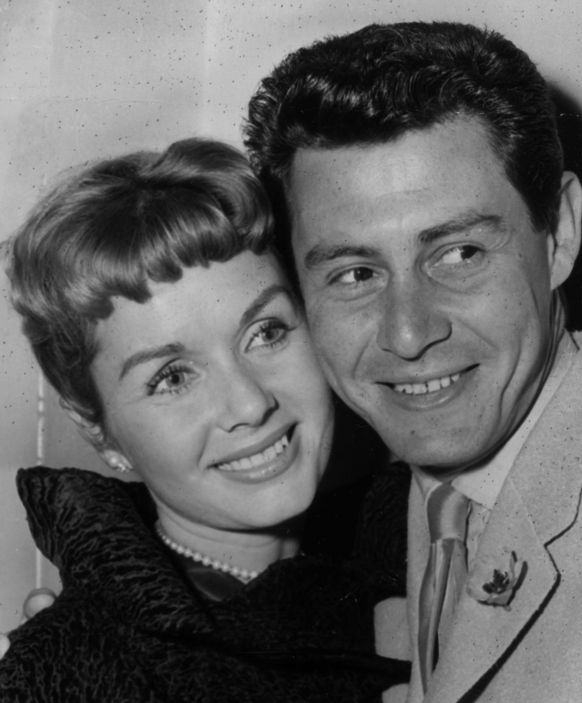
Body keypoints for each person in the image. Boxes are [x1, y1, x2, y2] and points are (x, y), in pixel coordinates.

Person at [244, 20, 582, 703]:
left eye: (460, 254)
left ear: (560, 233)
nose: (409, 333)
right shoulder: (407, 506)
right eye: (354, 273)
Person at [0, 137, 409, 701]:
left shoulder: (414, 549)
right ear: (98, 430)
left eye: (265, 333)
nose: (250, 403)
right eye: (172, 377)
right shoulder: (71, 670)